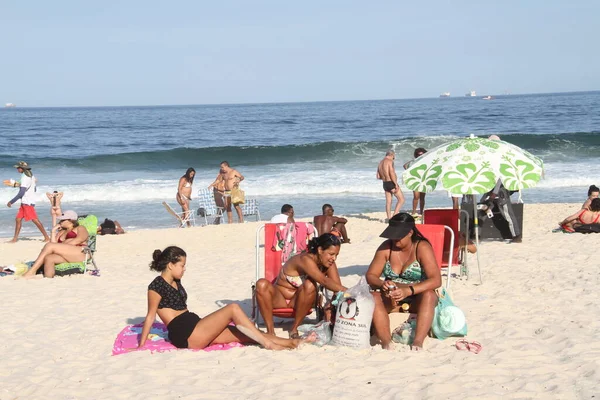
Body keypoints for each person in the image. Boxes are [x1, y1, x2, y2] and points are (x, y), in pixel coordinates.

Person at [139, 246, 310, 350]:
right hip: (186, 334)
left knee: (248, 335)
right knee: (233, 308)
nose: (184, 269)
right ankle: (269, 344)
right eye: (182, 266)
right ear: (170, 265)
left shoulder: (176, 280)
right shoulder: (156, 286)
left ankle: (291, 344)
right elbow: (150, 316)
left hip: (196, 326)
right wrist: (141, 345)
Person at [366, 213, 441, 350]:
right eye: (392, 235)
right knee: (374, 296)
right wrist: (383, 284)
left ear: (410, 232)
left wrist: (409, 290)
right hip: (392, 297)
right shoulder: (386, 248)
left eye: (398, 236)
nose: (394, 239)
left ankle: (418, 342)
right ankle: (386, 341)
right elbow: (371, 275)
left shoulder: (421, 247)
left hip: (417, 297)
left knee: (429, 295)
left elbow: (436, 280)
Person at [255, 233, 347, 338]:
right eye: (331, 254)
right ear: (320, 250)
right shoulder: (305, 259)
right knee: (261, 284)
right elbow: (324, 281)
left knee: (310, 285)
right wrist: (349, 291)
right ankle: (270, 331)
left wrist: (330, 306)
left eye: (336, 255)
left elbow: (337, 287)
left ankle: (294, 329)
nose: (334, 258)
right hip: (279, 299)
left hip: (301, 302)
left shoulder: (329, 264)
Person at [22, 210, 89, 278]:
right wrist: (53, 231)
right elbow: (53, 244)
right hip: (66, 255)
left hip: (81, 253)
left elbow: (80, 239)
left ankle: (32, 271)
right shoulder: (61, 232)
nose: (60, 222)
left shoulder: (80, 228)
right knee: (49, 258)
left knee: (50, 245)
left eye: (62, 220)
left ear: (70, 220)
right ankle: (48, 279)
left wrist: (62, 245)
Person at [4, 161, 50, 243]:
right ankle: (15, 239)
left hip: (27, 202)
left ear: (22, 169)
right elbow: (33, 188)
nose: (17, 169)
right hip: (26, 201)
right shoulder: (31, 176)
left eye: (18, 168)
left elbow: (21, 193)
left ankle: (46, 237)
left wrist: (11, 202)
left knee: (35, 220)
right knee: (18, 219)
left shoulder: (25, 178)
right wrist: (15, 185)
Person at [479, 178, 522, 243]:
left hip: (499, 191)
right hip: (494, 190)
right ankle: (476, 235)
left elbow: (500, 179)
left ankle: (516, 236)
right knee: (483, 210)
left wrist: (494, 193)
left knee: (508, 215)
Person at [377, 150, 405, 221]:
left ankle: (389, 218)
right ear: (392, 155)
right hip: (391, 182)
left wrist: (384, 177)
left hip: (385, 183)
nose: (394, 158)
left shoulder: (380, 162)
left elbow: (378, 176)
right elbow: (391, 172)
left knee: (388, 202)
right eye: (394, 157)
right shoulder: (390, 161)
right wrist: (395, 184)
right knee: (401, 199)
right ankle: (394, 216)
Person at [403, 148, 427, 216]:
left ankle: (421, 211)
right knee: (416, 197)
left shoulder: (426, 162)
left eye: (422, 155)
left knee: (422, 197)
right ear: (416, 155)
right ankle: (413, 212)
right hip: (416, 180)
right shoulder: (414, 162)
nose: (420, 156)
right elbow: (405, 166)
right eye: (419, 155)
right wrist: (414, 160)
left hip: (424, 180)